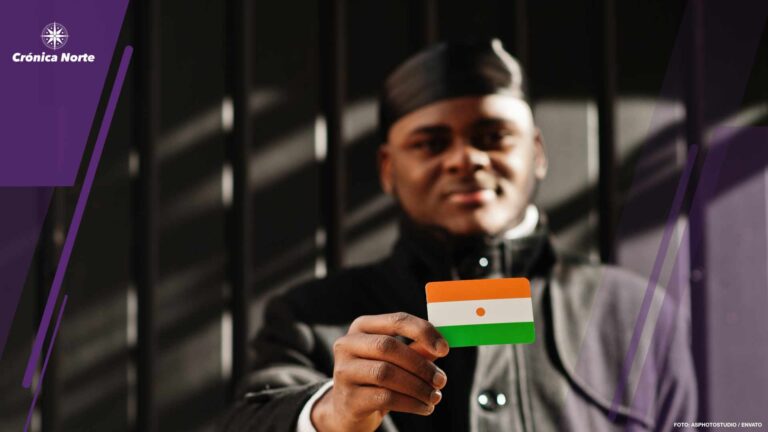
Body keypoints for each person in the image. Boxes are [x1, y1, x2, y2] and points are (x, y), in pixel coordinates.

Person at [221, 39, 696, 432]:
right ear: (388, 169)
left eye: (493, 136)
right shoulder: (310, 316)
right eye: (430, 142)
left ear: (536, 152)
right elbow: (246, 419)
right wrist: (329, 413)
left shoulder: (637, 312)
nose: (465, 159)